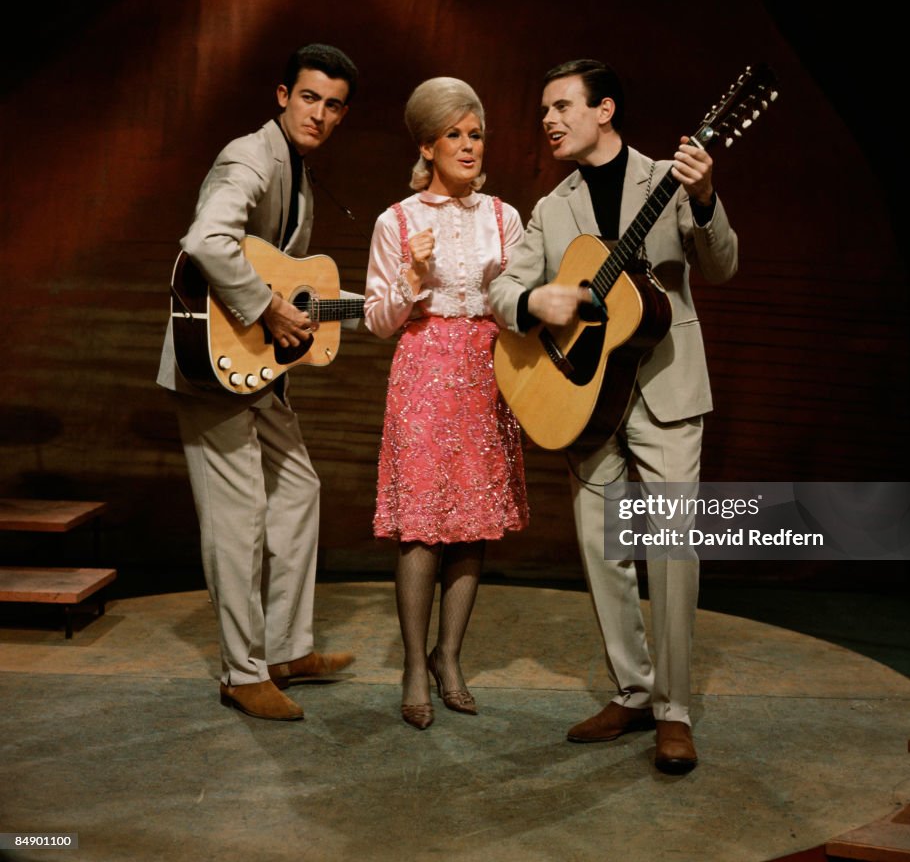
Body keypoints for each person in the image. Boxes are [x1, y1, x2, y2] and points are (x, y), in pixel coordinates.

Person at [488, 59, 738, 773]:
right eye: (544, 109)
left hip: (664, 386)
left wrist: (709, 197)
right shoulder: (551, 205)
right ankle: (632, 691)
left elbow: (721, 267)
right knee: (604, 552)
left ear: (605, 110)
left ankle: (675, 710)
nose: (548, 120)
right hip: (586, 397)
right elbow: (504, 288)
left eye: (562, 105)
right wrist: (537, 303)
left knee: (672, 552)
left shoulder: (669, 175)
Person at [157, 43, 360, 721]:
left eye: (333, 105)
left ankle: (284, 648)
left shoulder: (296, 171)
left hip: (257, 373)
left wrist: (378, 305)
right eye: (309, 98)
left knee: (299, 488)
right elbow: (208, 240)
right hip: (213, 368)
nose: (319, 114)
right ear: (282, 95)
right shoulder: (251, 155)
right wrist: (266, 307)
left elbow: (282, 272)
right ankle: (242, 673)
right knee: (237, 519)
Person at [364, 77, 529, 730]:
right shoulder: (396, 220)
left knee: (474, 523)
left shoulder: (504, 216)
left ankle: (449, 656)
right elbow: (377, 321)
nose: (468, 145)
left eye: (476, 133)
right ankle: (412, 665)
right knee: (422, 524)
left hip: (487, 374)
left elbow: (519, 304)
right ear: (428, 144)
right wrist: (411, 276)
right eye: (455, 134)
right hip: (423, 372)